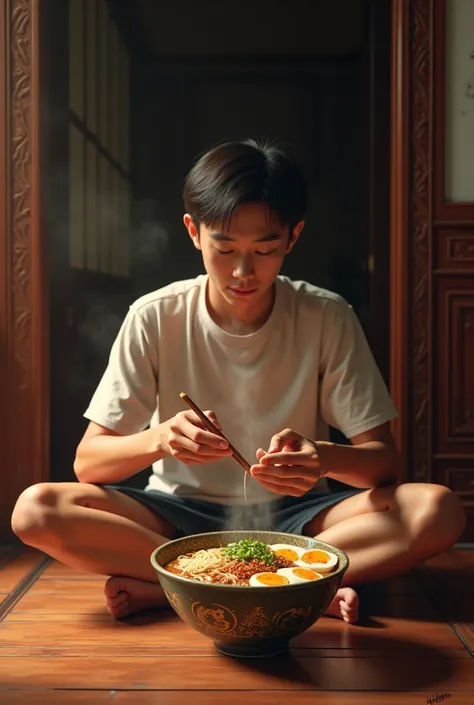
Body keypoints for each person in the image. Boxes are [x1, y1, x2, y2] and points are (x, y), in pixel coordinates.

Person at [11, 139, 465, 624]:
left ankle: (181, 590)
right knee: (35, 510)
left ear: (293, 237)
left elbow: (384, 465)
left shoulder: (326, 315)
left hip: (301, 516)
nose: (242, 271)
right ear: (193, 231)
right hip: (176, 517)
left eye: (265, 250)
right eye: (224, 248)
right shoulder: (154, 316)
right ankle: (294, 589)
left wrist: (323, 458)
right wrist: (161, 438)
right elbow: (89, 465)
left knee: (437, 510)